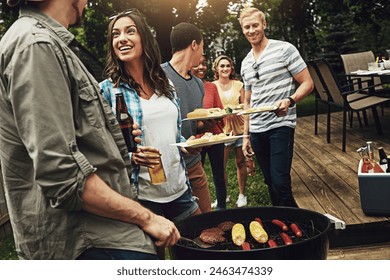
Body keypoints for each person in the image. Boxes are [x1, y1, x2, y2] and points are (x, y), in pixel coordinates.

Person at [0, 0, 179, 260]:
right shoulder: (36, 45)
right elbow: (63, 175)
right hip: (87, 240)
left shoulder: (47, 41)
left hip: (100, 234)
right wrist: (147, 217)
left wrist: (104, 132)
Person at [99, 10, 200, 224]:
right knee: (153, 257)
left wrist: (186, 145)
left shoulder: (165, 83)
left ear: (144, 37)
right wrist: (131, 157)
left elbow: (172, 135)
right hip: (142, 197)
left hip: (179, 189)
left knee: (198, 251)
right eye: (115, 34)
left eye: (130, 31)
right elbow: (98, 149)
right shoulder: (107, 92)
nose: (122, 38)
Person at [239, 7, 314, 207]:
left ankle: (296, 225)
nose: (251, 30)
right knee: (270, 181)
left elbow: (308, 83)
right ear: (242, 30)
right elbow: (247, 101)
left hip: (281, 124)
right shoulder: (245, 62)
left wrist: (290, 100)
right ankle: (283, 223)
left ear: (264, 25)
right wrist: (245, 136)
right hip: (256, 129)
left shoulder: (284, 49)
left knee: (280, 182)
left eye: (255, 25)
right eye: (247, 27)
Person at [162, 22, 212, 213]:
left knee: (208, 223)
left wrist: (209, 125)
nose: (202, 53)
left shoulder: (199, 84)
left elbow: (194, 126)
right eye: (202, 47)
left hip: (194, 166)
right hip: (168, 168)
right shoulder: (157, 76)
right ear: (194, 45)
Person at [191, 54, 227, 210]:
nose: (201, 67)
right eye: (197, 64)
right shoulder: (187, 87)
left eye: (204, 64)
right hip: (196, 139)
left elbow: (219, 109)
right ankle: (199, 209)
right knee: (197, 177)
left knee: (219, 175)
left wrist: (220, 119)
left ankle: (221, 208)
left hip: (214, 136)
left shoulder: (211, 87)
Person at [212, 55, 248, 207]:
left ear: (231, 68)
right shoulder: (212, 86)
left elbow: (245, 107)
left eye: (228, 66)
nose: (225, 68)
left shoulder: (239, 85)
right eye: (222, 66)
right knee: (221, 165)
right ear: (216, 69)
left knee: (240, 162)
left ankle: (242, 195)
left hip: (239, 129)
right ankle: (224, 195)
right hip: (223, 131)